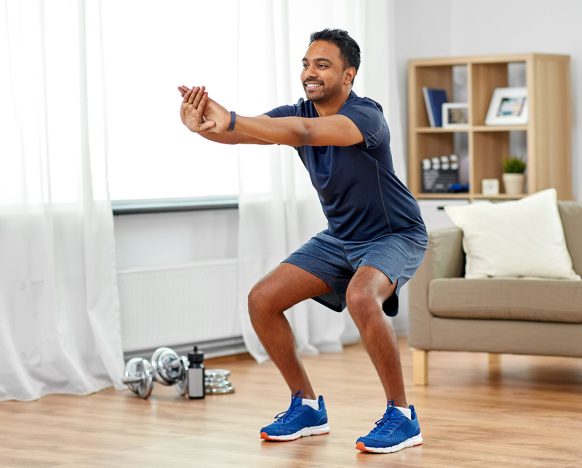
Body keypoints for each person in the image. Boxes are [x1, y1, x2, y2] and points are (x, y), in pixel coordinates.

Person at [178, 28, 427, 454]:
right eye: (306, 64)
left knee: (362, 297)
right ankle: (307, 406)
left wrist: (232, 119)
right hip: (341, 238)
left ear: (348, 75)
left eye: (322, 65)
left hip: (394, 234)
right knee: (263, 299)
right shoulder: (297, 111)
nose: (310, 73)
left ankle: (401, 416)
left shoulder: (366, 116)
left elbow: (304, 133)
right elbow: (247, 131)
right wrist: (203, 127)